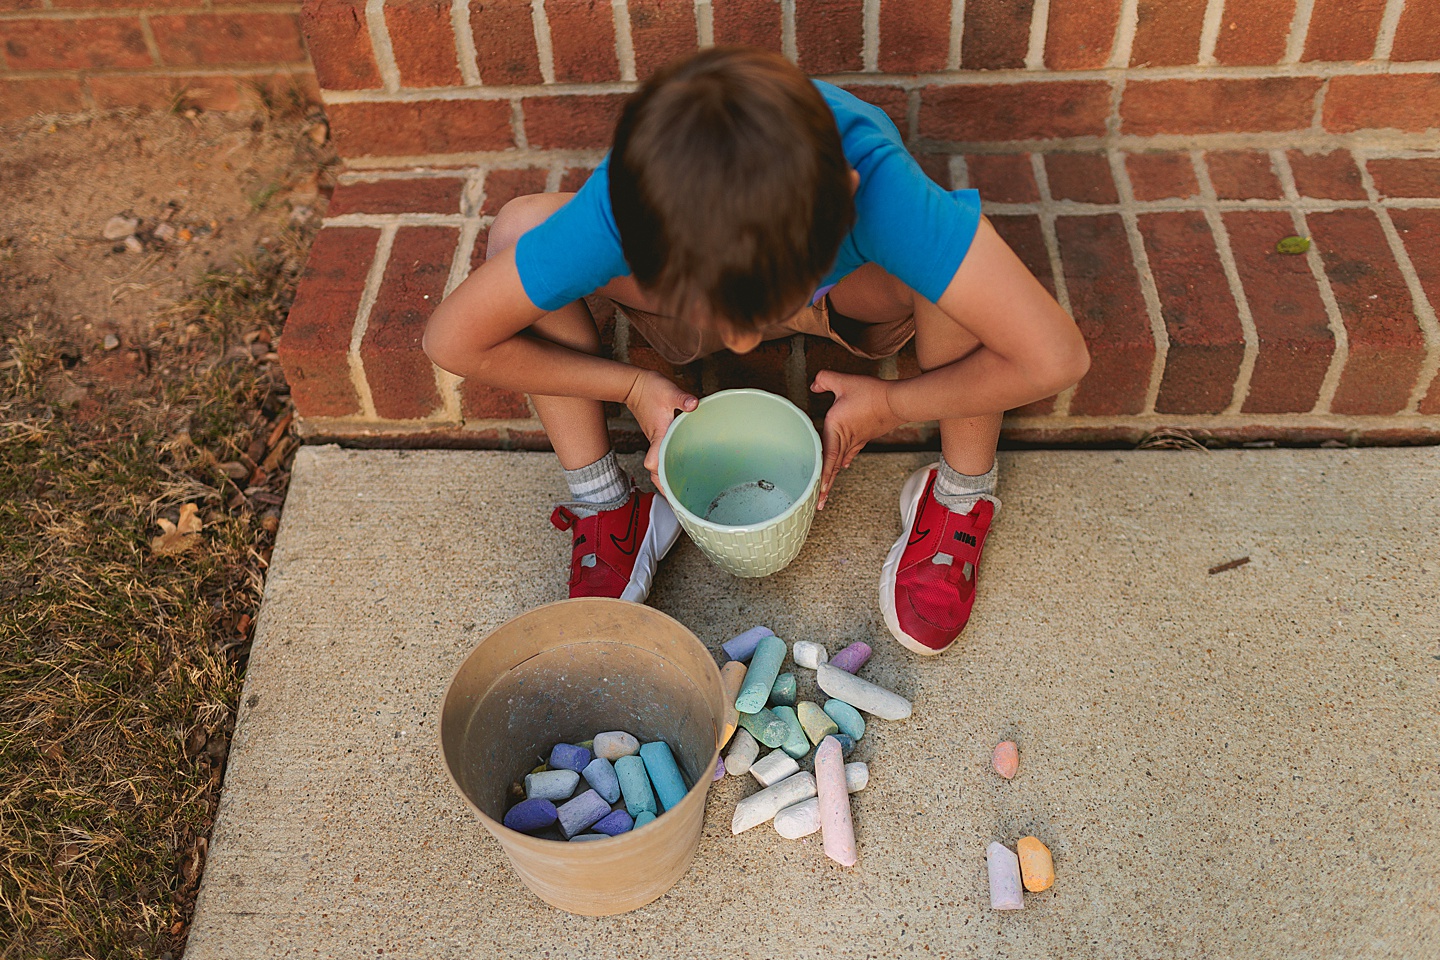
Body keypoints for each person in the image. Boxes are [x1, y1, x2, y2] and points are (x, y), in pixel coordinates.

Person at [424, 47, 1088, 655]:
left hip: (852, 293)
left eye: (758, 314)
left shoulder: (880, 191)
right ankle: (606, 504)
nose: (745, 343)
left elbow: (1056, 358)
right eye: (727, 318)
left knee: (959, 271)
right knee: (519, 229)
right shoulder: (626, 209)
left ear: (845, 198)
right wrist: (629, 386)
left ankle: (963, 491)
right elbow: (452, 339)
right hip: (714, 275)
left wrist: (896, 403)